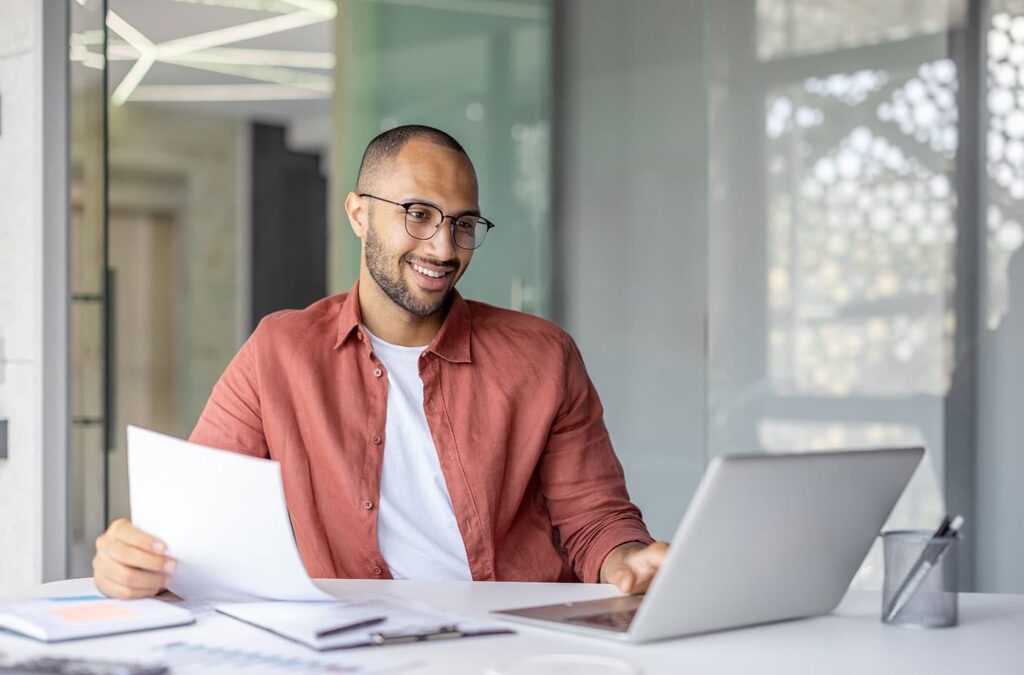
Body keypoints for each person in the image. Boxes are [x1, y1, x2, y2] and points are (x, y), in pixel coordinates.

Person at [92, 125, 668, 599]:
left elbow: (596, 520)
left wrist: (632, 564)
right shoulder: (279, 353)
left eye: (463, 224)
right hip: (355, 647)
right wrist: (133, 560)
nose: (444, 248)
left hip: (515, 646)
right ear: (359, 214)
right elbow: (198, 526)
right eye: (418, 214)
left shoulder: (543, 356)